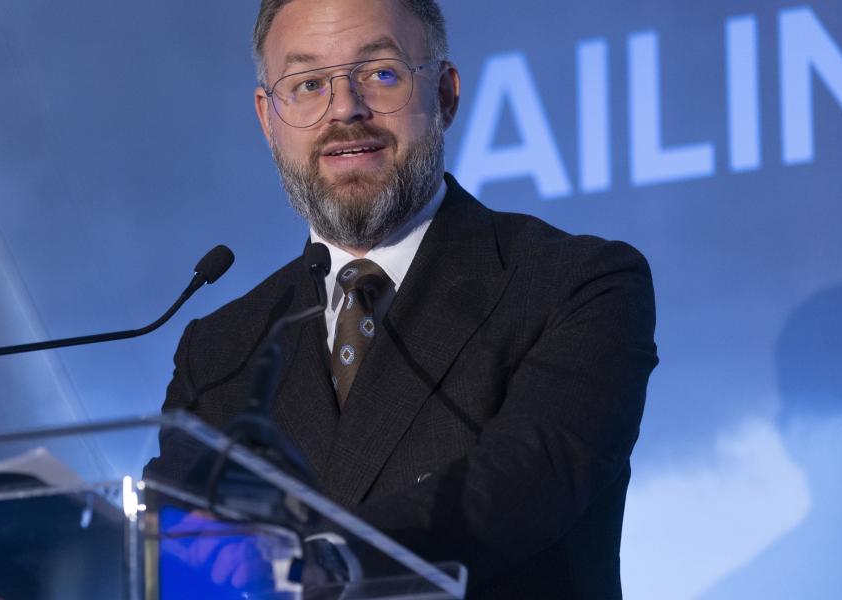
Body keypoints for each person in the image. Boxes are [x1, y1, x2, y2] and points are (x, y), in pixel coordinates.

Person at [149, 0, 659, 598]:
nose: (345, 108)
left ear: (444, 94)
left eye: (381, 73)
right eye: (308, 84)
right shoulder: (220, 350)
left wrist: (323, 559)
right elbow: (167, 543)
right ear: (269, 118)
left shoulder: (577, 284)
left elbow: (524, 481)